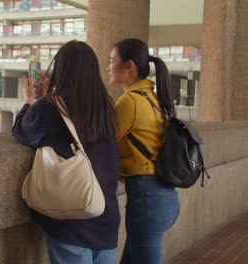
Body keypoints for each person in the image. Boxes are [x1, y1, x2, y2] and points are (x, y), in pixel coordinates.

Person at [12, 40, 120, 264]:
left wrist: (30, 101)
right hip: (105, 216)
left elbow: (22, 131)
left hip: (72, 218)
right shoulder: (107, 106)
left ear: (60, 69)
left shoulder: (50, 107)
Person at [107, 38, 180, 264]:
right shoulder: (152, 97)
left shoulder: (131, 102)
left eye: (112, 61)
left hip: (147, 197)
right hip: (163, 195)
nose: (108, 67)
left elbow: (101, 142)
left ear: (128, 66)